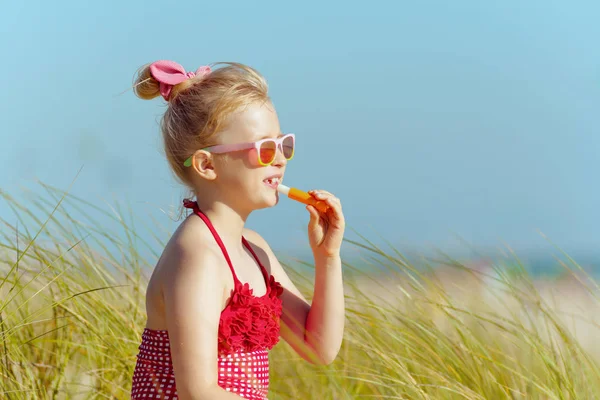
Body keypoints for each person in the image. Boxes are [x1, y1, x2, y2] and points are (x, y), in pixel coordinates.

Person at [129, 60, 346, 400]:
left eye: (283, 145)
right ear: (207, 164)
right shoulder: (198, 256)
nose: (280, 160)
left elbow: (318, 347)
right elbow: (197, 392)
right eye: (264, 149)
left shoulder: (254, 250)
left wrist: (327, 257)